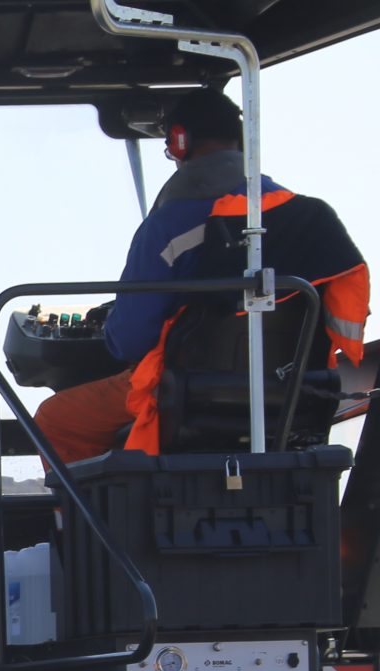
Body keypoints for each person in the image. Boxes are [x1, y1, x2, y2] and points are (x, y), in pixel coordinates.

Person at [35, 86, 366, 464]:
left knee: (56, 420)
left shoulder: (167, 227)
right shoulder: (311, 218)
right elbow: (341, 325)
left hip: (186, 394)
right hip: (295, 394)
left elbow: (128, 342)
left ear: (179, 142)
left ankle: (110, 505)